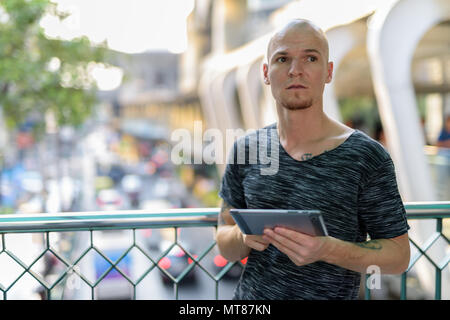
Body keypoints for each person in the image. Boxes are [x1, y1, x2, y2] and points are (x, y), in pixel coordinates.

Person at [216, 19, 410, 300]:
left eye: (310, 58)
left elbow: (398, 256)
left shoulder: (366, 156)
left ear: (328, 71)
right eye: (283, 59)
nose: (296, 70)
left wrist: (327, 249)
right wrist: (243, 237)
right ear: (266, 73)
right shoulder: (245, 149)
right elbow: (224, 240)